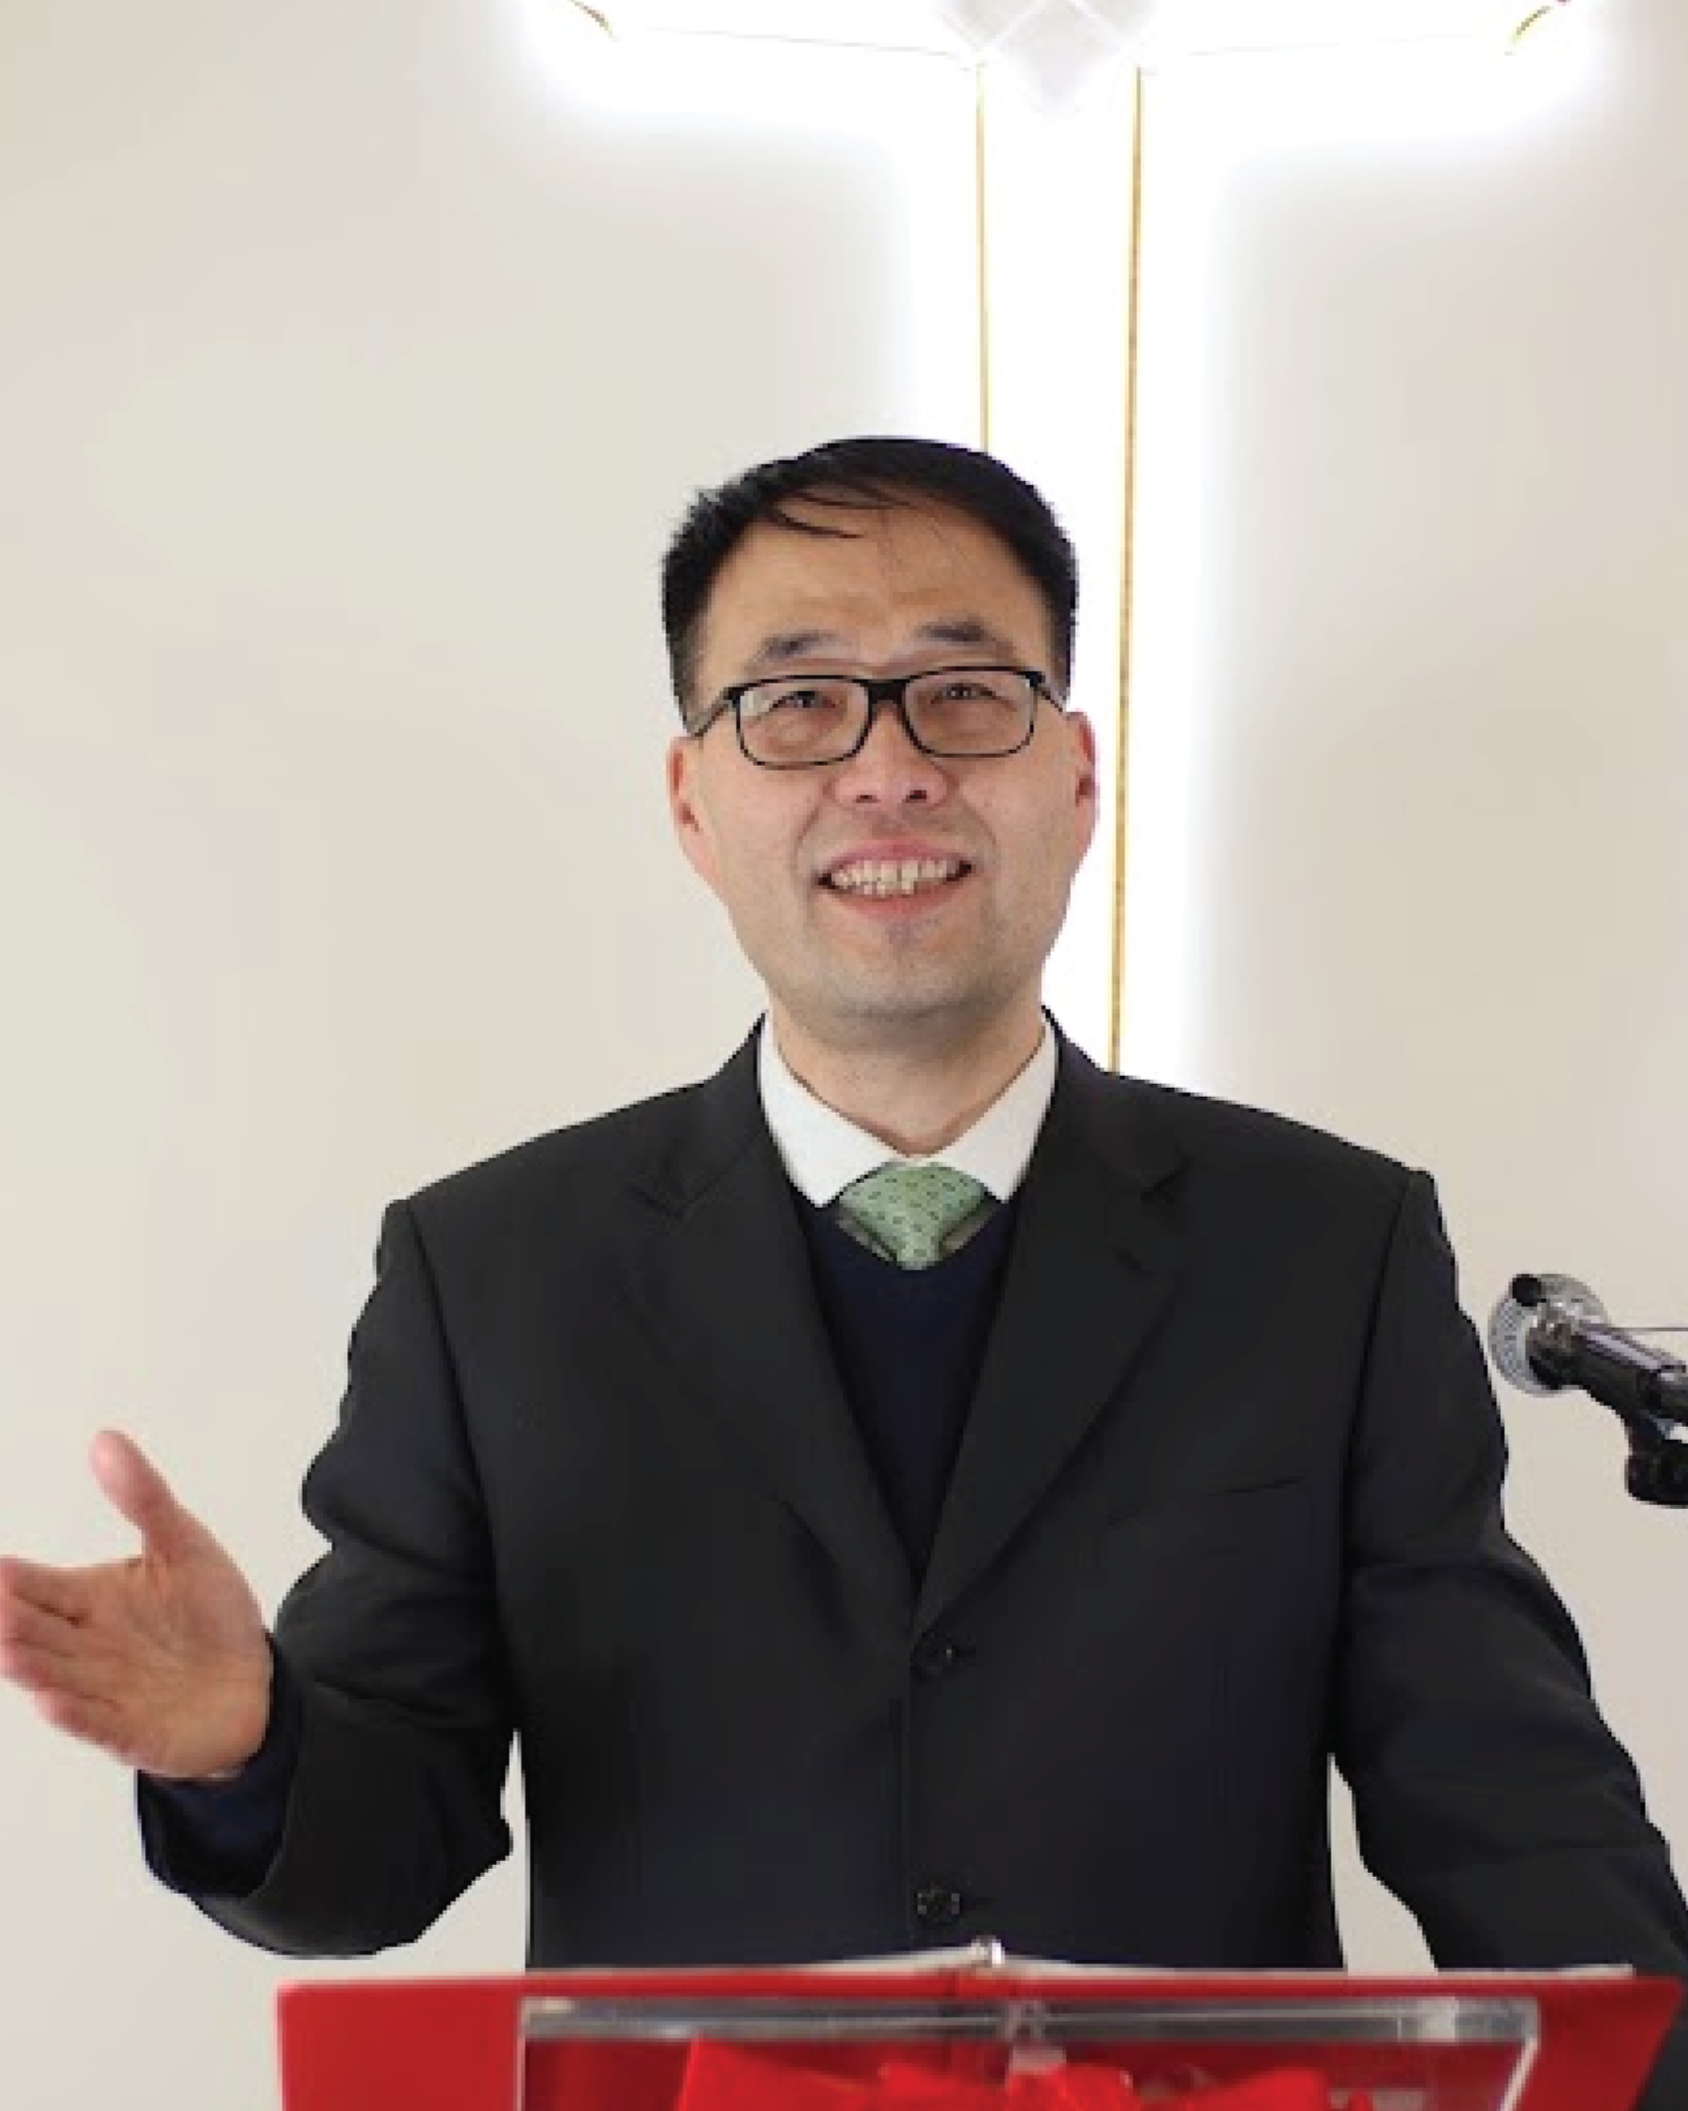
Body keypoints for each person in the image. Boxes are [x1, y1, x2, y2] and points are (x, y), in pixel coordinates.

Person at [3, 437, 1686, 2090]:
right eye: (799, 702)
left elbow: (1513, 1809)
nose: (888, 769)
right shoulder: (493, 1273)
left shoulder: (1326, 1247)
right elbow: (377, 1849)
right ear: (693, 801)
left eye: (963, 691)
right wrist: (248, 1746)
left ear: (1077, 775)